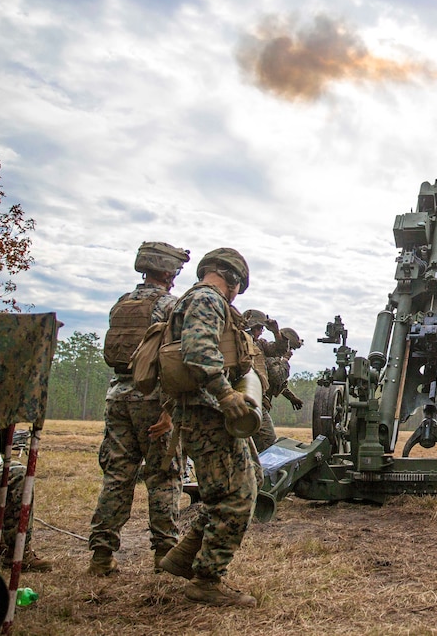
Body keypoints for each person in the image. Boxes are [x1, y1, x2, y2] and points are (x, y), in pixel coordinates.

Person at [157, 247, 262, 607]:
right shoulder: (207, 299)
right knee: (236, 497)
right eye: (238, 286)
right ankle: (206, 580)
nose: (236, 294)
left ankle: (184, 556)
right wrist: (226, 395)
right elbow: (199, 352)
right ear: (230, 277)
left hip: (207, 411)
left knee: (243, 484)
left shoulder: (191, 300)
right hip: (210, 412)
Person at [88, 241, 189, 577]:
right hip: (154, 396)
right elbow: (175, 359)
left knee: (117, 475)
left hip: (117, 394)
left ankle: (101, 555)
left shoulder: (122, 303)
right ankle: (165, 555)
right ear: (166, 271)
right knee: (164, 475)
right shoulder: (170, 305)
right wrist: (169, 410)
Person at [251, 325, 304, 454]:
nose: (290, 351)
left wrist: (292, 398)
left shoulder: (272, 355)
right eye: (290, 348)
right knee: (268, 443)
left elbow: (277, 385)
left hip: (258, 403)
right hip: (256, 403)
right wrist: (285, 360)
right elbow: (277, 377)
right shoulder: (270, 355)